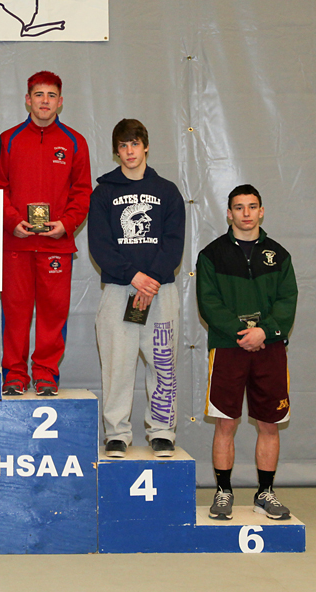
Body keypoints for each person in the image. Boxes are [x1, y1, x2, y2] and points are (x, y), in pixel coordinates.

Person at [196, 184, 297, 521]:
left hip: (269, 349)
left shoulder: (279, 256)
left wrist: (264, 331)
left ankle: (265, 493)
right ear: (229, 213)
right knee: (226, 423)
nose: (246, 213)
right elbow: (209, 303)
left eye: (252, 206)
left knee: (269, 423)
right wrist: (242, 333)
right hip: (228, 348)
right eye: (239, 207)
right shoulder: (211, 255)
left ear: (262, 211)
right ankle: (223, 492)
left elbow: (287, 301)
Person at [0, 71, 91, 396]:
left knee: (53, 314)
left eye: (51, 95)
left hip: (56, 246)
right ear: (27, 99)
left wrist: (66, 224)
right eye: (38, 94)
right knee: (15, 313)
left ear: (60, 102)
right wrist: (12, 221)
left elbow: (82, 192)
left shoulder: (75, 142)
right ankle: (14, 374)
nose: (44, 101)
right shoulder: (8, 140)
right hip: (15, 245)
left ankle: (46, 373)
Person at [88, 119, 185, 458]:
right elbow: (100, 245)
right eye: (123, 145)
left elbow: (174, 243)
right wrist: (133, 276)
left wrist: (151, 279)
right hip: (120, 290)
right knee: (118, 364)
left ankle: (162, 431)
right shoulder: (103, 193)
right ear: (116, 151)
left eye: (135, 144)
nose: (129, 151)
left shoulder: (167, 191)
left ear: (146, 146)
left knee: (162, 362)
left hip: (160, 291)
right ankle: (117, 433)